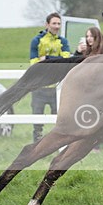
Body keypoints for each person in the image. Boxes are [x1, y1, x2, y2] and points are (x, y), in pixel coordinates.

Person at [29, 12, 71, 142]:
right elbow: (34, 63)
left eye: (59, 23)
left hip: (56, 88)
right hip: (39, 87)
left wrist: (47, 58)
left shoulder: (63, 41)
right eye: (54, 23)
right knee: (37, 119)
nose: (57, 26)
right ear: (47, 24)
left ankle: (58, 143)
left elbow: (66, 60)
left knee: (58, 118)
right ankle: (36, 145)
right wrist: (55, 61)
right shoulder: (36, 41)